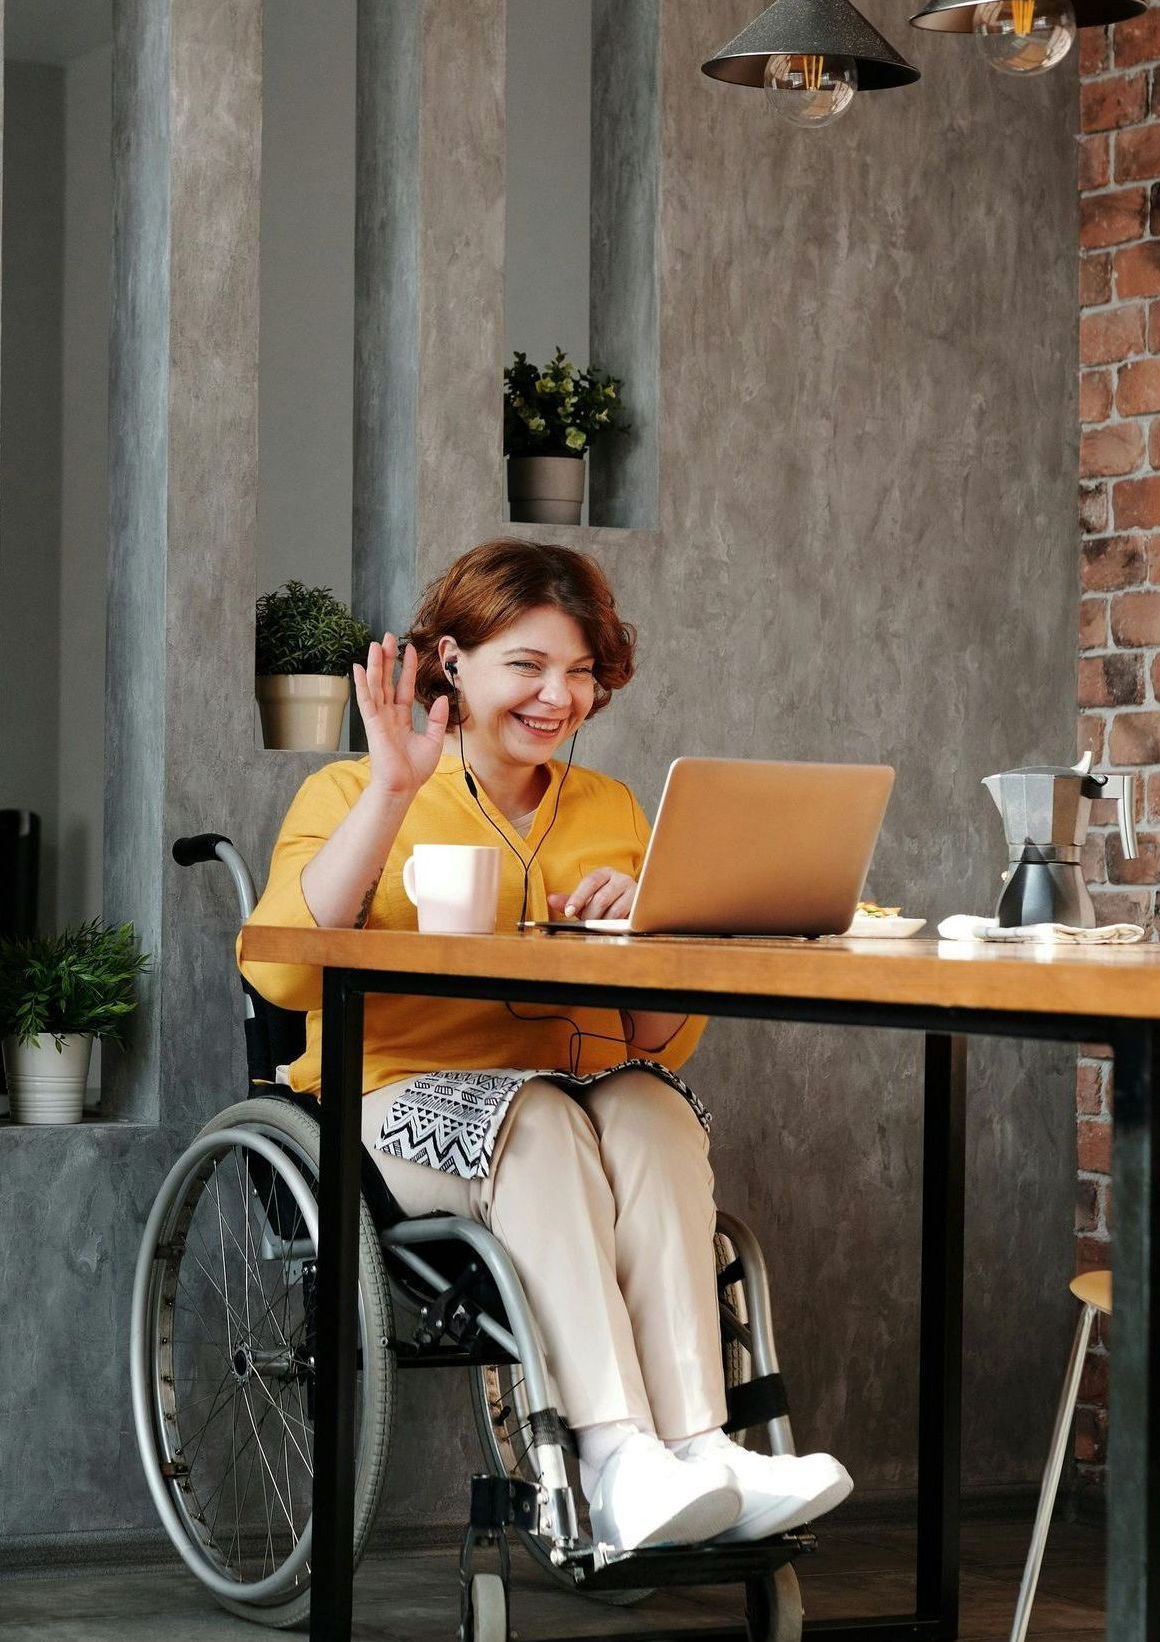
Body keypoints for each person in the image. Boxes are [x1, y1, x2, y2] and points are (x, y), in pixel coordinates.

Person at [239, 539, 852, 1557]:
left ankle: (701, 1451)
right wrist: (393, 791)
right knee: (544, 1117)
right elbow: (284, 976)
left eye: (579, 671)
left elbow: (658, 1039)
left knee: (652, 1105)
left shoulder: (610, 810)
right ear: (455, 661)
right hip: (392, 1107)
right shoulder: (351, 792)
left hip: (572, 1103)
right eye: (527, 663)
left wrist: (649, 933)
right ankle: (614, 1455)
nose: (557, 694)